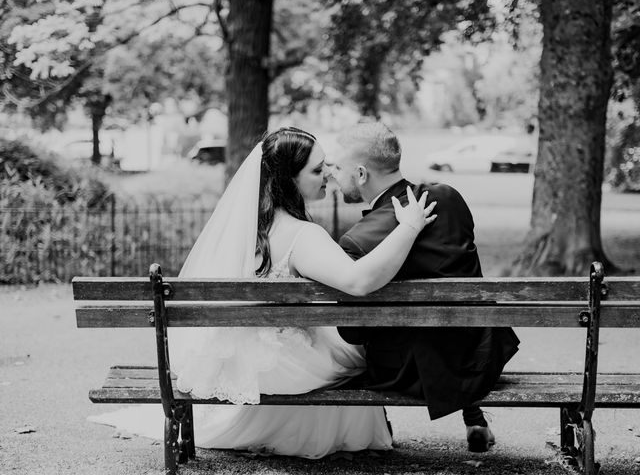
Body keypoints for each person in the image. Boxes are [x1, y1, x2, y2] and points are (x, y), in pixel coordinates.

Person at [89, 127, 436, 459]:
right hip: (281, 368)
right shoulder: (303, 235)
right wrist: (409, 227)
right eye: (317, 170)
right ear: (289, 179)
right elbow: (359, 282)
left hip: (241, 361)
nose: (329, 176)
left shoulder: (250, 230)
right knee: (361, 354)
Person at [330, 122, 520, 453]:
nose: (334, 176)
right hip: (481, 352)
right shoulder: (449, 198)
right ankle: (473, 417)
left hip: (408, 373)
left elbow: (353, 333)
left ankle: (375, 427)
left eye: (338, 168)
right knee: (443, 330)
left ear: (361, 174)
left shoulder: (357, 240)